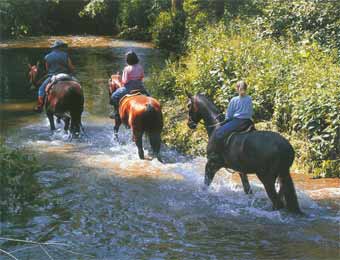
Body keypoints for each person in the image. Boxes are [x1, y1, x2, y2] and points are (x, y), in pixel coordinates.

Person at [34, 40, 74, 112]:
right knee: (78, 85)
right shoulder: (65, 55)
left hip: (53, 76)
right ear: (60, 47)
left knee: (41, 89)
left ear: (54, 48)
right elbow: (71, 68)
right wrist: (71, 71)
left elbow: (48, 69)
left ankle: (40, 105)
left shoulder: (47, 56)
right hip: (66, 75)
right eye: (63, 47)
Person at [109, 51, 150, 120]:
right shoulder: (140, 67)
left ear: (127, 60)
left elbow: (125, 81)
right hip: (140, 86)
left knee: (114, 96)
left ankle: (116, 113)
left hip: (129, 88)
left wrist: (119, 80)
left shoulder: (127, 69)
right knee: (149, 98)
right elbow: (142, 77)